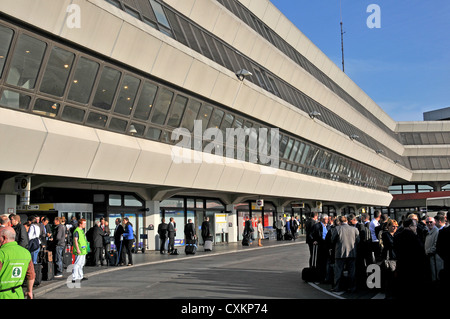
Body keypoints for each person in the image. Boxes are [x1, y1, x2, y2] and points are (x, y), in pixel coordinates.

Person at [393, 218, 427, 298]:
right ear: (410, 226)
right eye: (415, 226)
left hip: (401, 265)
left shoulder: (397, 236)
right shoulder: (414, 237)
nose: (416, 228)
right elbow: (421, 251)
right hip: (414, 267)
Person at [0, 227, 35, 299]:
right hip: (18, 294)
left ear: (4, 238)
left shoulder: (2, 253)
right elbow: (31, 275)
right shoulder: (26, 253)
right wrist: (29, 291)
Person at [331, 216, 359, 292]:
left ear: (340, 222)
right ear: (347, 221)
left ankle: (337, 287)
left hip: (340, 252)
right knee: (352, 271)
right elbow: (358, 240)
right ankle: (352, 287)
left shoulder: (337, 229)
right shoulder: (354, 229)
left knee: (338, 271)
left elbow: (332, 239)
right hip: (352, 253)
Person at [380, 219, 398, 299]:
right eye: (393, 226)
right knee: (389, 277)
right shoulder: (385, 234)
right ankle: (388, 294)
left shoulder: (397, 234)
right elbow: (391, 243)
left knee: (395, 277)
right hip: (390, 258)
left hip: (396, 257)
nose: (394, 228)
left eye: (396, 227)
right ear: (388, 227)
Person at [309, 214, 329, 282]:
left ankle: (325, 275)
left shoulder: (328, 226)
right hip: (320, 244)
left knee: (325, 261)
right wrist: (313, 241)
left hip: (326, 245)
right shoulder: (316, 226)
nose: (327, 220)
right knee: (319, 260)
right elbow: (310, 234)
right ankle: (317, 275)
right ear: (323, 219)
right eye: (326, 219)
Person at [424, 216, 443, 282]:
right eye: (427, 222)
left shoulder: (437, 232)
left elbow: (436, 246)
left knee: (435, 277)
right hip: (429, 258)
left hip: (435, 259)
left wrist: (427, 251)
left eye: (431, 222)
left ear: (434, 222)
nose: (429, 223)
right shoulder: (427, 231)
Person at [72, 218, 88, 283]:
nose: (85, 225)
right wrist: (78, 249)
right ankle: (74, 277)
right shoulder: (77, 231)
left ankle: (80, 276)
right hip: (80, 250)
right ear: (80, 224)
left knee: (81, 264)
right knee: (77, 264)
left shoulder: (81, 230)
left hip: (83, 250)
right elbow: (75, 240)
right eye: (84, 224)